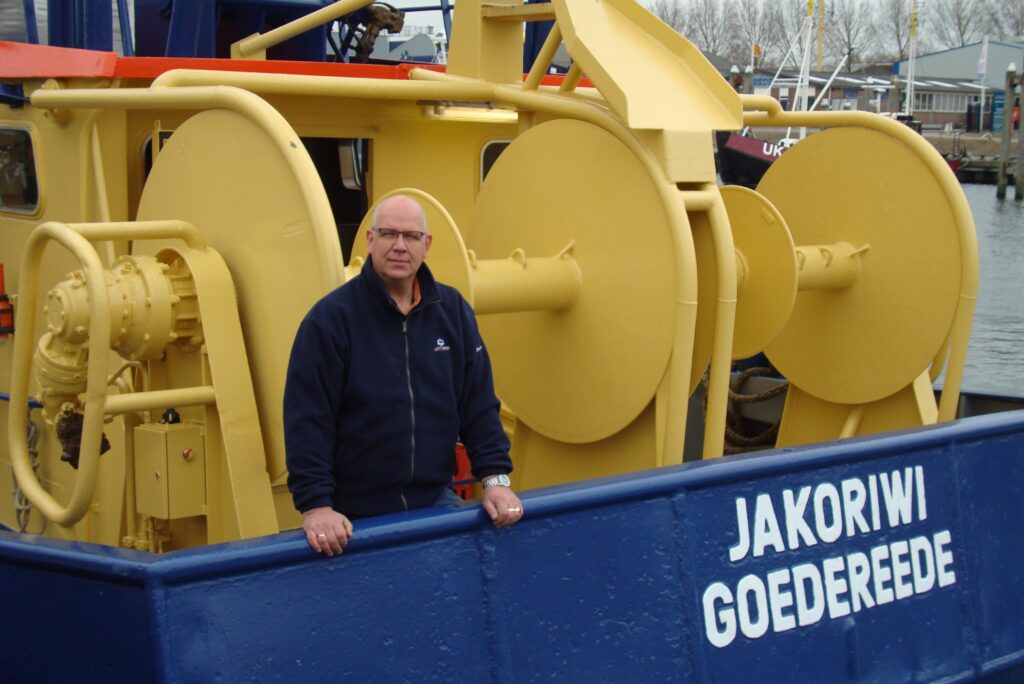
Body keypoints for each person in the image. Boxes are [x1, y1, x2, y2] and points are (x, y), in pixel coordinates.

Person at [284, 194, 523, 556]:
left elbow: (478, 405)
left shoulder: (453, 311)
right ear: (370, 240)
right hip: (351, 519)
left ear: (426, 245)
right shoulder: (330, 320)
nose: (399, 246)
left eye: (410, 236)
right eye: (388, 234)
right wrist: (317, 507)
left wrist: (496, 481)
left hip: (434, 503)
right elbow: (308, 420)